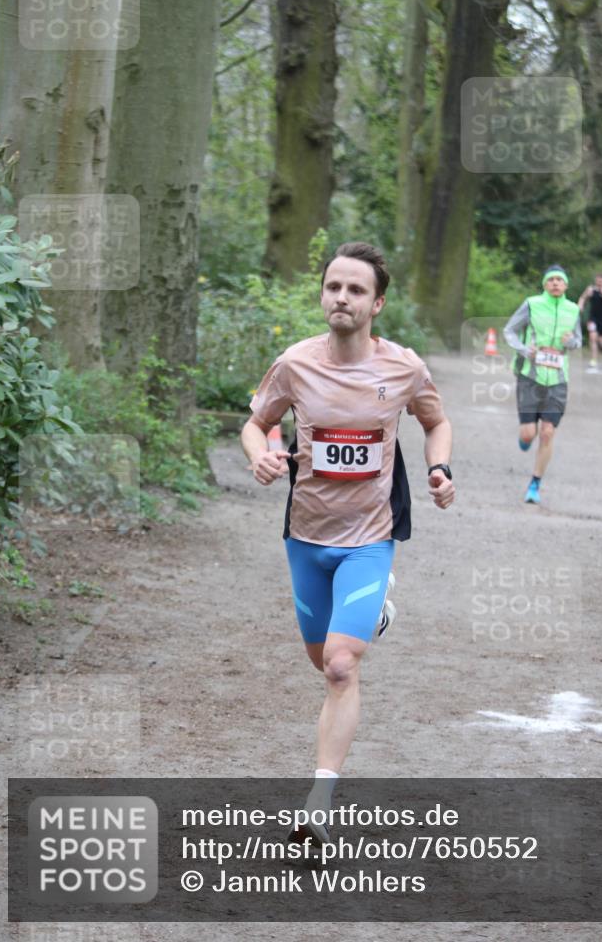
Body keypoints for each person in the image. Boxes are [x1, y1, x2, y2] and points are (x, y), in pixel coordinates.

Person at [241, 242, 454, 846]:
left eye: (356, 290)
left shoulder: (403, 369)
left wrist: (441, 471)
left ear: (377, 304)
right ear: (323, 295)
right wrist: (261, 457)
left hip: (371, 536)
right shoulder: (295, 364)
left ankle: (319, 801)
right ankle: (377, 610)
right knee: (320, 660)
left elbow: (436, 421)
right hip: (306, 535)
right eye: (334, 286)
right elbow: (256, 423)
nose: (342, 297)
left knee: (340, 666)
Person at [503, 265, 582, 505]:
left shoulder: (573, 310)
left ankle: (534, 484)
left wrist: (572, 342)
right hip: (531, 376)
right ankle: (525, 438)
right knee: (529, 433)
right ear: (545, 284)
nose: (556, 283)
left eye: (560, 280)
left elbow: (578, 341)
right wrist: (525, 350)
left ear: (566, 285)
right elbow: (510, 331)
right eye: (551, 280)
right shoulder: (532, 304)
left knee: (547, 432)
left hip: (558, 380)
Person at [577, 273, 602, 371]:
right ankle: (593, 360)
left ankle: (600, 346)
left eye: (601, 280)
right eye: (597, 280)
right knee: (592, 337)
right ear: (595, 280)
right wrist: (580, 306)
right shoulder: (590, 289)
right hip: (593, 318)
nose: (599, 281)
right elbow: (582, 298)